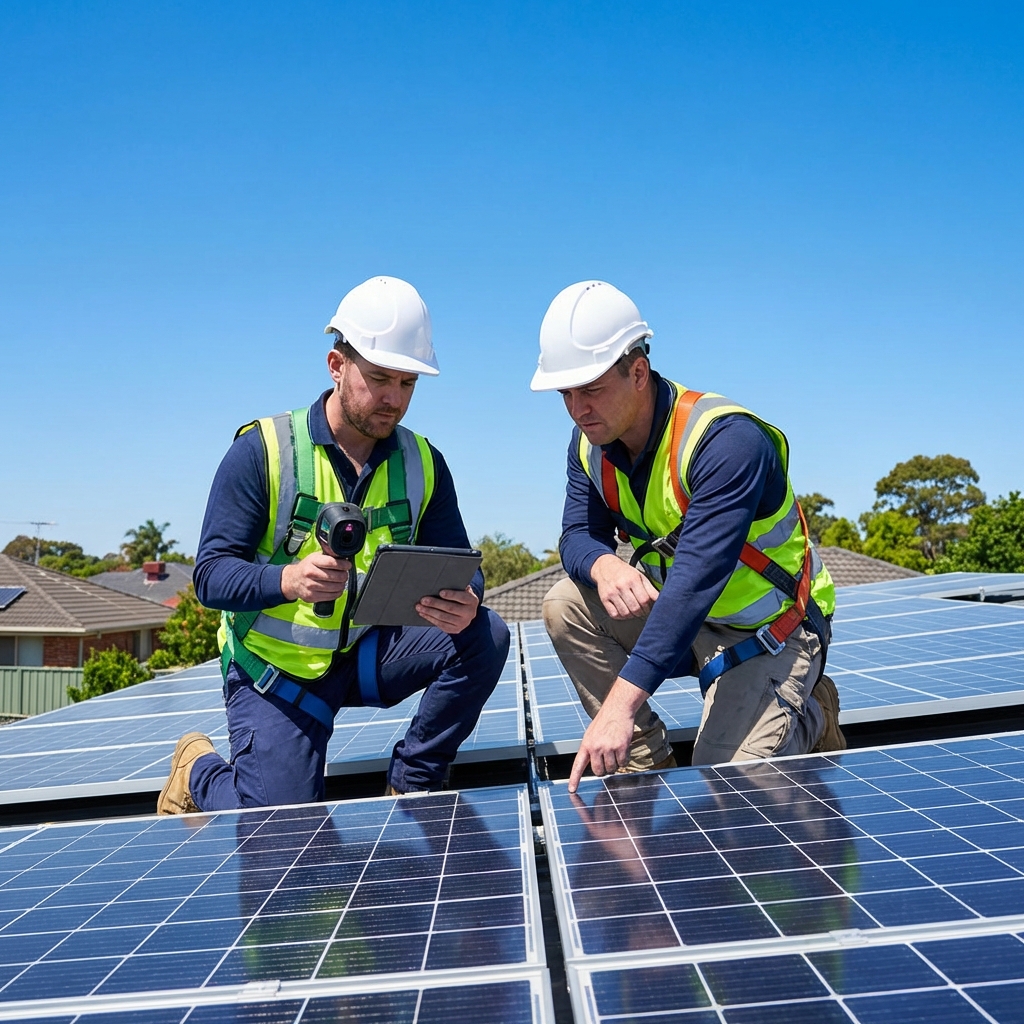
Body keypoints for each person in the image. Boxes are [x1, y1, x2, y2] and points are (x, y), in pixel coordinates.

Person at [158, 276, 509, 814]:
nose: (394, 399)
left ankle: (413, 781)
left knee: (485, 633)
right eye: (380, 378)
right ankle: (197, 772)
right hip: (278, 672)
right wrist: (288, 580)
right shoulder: (264, 452)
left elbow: (462, 564)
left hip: (367, 655)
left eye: (408, 383)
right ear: (336, 365)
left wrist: (468, 595)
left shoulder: (424, 463)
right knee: (283, 831)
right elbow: (210, 576)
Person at [530, 281, 844, 794]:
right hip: (682, 619)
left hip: (769, 628)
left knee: (729, 783)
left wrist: (617, 709)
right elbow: (577, 535)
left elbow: (695, 582)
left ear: (638, 373)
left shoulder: (727, 441)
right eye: (565, 394)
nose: (577, 409)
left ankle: (813, 713)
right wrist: (603, 564)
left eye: (590, 389)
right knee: (565, 604)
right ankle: (642, 759)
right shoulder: (590, 444)